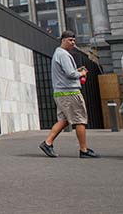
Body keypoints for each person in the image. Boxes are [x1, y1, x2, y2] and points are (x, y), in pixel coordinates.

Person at [39, 30, 98, 158]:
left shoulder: (58, 54)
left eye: (74, 40)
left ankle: (47, 143)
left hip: (61, 93)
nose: (73, 42)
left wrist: (75, 71)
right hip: (70, 92)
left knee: (64, 120)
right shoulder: (63, 55)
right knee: (80, 120)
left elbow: (67, 72)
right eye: (70, 40)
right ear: (63, 40)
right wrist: (81, 74)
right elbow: (70, 74)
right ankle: (83, 150)